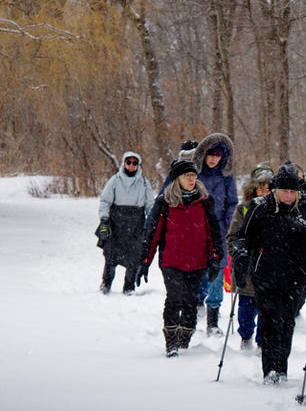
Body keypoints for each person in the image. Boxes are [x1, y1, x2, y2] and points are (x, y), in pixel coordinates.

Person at [232, 161, 306, 384]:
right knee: (270, 320)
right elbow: (242, 236)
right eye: (284, 191)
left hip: (296, 276)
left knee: (286, 322)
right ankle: (270, 370)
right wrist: (241, 256)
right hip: (266, 274)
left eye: (293, 191)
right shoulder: (260, 208)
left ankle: (281, 365)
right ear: (276, 190)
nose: (289, 196)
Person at [140, 158, 224, 356]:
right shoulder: (164, 202)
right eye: (187, 175)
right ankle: (171, 343)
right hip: (172, 261)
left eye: (194, 175)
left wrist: (215, 258)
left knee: (190, 301)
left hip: (197, 261)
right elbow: (152, 234)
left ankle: (184, 341)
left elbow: (213, 232)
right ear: (177, 178)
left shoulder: (205, 201)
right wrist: (145, 260)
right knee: (174, 298)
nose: (192, 179)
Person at [190, 133, 238, 336]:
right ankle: (190, 313)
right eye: (211, 154)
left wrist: (229, 218)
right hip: (195, 229)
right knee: (194, 271)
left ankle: (212, 320)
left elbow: (233, 201)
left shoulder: (226, 178)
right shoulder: (194, 174)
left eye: (218, 156)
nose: (214, 159)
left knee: (217, 274)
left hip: (218, 230)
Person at [226, 164, 273, 351]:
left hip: (268, 271)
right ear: (253, 189)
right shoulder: (243, 208)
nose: (264, 191)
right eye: (260, 187)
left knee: (266, 311)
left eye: (268, 187)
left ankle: (262, 341)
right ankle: (245, 337)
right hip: (246, 271)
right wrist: (238, 255)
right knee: (245, 311)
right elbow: (232, 236)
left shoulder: (277, 209)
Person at [96, 152, 154, 294]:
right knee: (110, 256)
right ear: (124, 163)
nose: (131, 165)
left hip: (136, 224)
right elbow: (105, 201)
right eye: (129, 162)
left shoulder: (144, 183)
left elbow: (150, 205)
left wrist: (151, 222)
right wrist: (104, 219)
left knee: (134, 257)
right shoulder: (114, 181)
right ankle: (106, 283)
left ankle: (129, 286)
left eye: (135, 163)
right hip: (117, 222)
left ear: (138, 165)